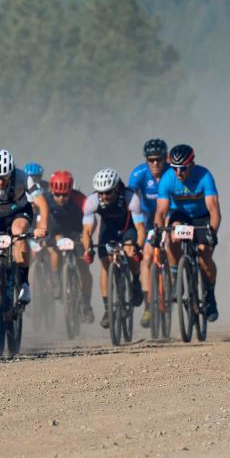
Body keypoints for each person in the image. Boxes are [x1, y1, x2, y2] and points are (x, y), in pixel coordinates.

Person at [0, 148, 50, 305]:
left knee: (18, 233)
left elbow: (42, 204)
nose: (0, 182)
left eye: (5, 178)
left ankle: (24, 283)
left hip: (18, 213)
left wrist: (43, 226)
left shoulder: (23, 177)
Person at [156, 143, 222, 323]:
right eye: (175, 168)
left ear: (192, 164)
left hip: (202, 217)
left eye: (183, 168)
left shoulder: (204, 176)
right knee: (174, 237)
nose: (178, 173)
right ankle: (177, 274)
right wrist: (158, 230)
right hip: (181, 215)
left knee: (204, 258)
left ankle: (210, 295)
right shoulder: (167, 179)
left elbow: (214, 209)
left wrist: (212, 232)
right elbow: (161, 212)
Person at [81, 168, 144, 329]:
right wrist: (88, 250)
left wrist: (139, 247)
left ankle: (136, 281)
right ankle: (108, 310)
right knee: (105, 264)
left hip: (127, 228)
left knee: (130, 251)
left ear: (116, 189)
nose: (104, 197)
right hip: (108, 230)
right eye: (100, 193)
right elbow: (87, 231)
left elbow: (140, 228)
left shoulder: (131, 197)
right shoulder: (92, 201)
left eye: (108, 193)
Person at [45, 169, 93, 323]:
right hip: (56, 230)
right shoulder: (45, 200)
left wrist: (87, 238)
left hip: (77, 231)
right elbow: (40, 219)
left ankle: (86, 303)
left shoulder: (80, 199)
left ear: (71, 191)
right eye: (57, 195)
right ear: (52, 191)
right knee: (53, 251)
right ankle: (56, 282)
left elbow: (91, 220)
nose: (61, 198)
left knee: (83, 267)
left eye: (65, 195)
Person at [130, 138, 168, 326]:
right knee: (146, 257)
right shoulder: (139, 173)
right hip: (147, 218)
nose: (155, 163)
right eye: (151, 160)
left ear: (165, 159)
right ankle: (147, 306)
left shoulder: (172, 172)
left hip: (168, 215)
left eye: (159, 160)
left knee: (170, 247)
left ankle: (174, 281)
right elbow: (129, 198)